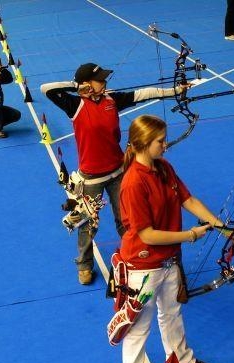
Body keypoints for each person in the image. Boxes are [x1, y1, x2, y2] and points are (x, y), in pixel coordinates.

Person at [40, 62, 190, 285]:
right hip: (91, 176)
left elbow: (143, 94)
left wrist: (175, 91)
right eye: (99, 79)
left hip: (119, 171)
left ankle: (136, 258)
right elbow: (46, 88)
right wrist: (75, 86)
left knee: (127, 220)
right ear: (87, 84)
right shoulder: (75, 104)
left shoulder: (112, 100)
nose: (104, 82)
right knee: (87, 223)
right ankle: (84, 264)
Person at [117, 114, 222, 363]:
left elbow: (187, 199)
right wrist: (190, 236)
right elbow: (147, 234)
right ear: (142, 144)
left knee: (172, 314)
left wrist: (220, 225)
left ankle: (181, 360)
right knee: (138, 328)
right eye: (160, 141)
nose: (166, 145)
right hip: (143, 266)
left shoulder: (163, 168)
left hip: (169, 261)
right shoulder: (133, 182)